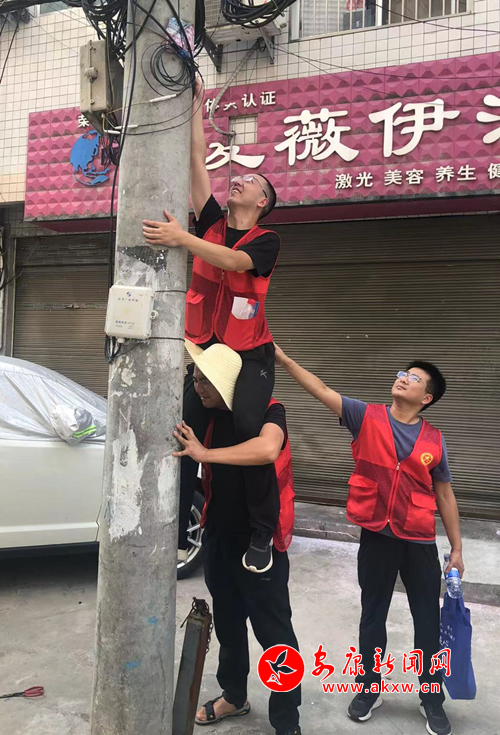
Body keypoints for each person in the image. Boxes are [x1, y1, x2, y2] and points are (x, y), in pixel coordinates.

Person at [274, 346, 464, 735]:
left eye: (414, 378)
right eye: (402, 373)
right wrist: (283, 359)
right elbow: (320, 389)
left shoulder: (435, 441)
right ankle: (369, 688)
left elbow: (445, 495)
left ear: (426, 398)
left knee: (427, 621)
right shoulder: (365, 416)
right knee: (372, 616)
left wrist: (457, 548)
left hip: (419, 541)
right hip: (377, 536)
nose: (403, 378)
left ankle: (431, 698)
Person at [143, 77, 281, 573]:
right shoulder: (210, 223)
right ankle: (179, 532)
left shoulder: (265, 239)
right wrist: (195, 104)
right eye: (239, 176)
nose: (239, 179)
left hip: (250, 356)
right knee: (180, 433)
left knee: (247, 428)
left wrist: (181, 238)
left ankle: (262, 533)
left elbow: (233, 261)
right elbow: (197, 160)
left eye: (251, 181)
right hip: (207, 354)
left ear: (262, 202)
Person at [173, 340, 300, 735]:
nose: (198, 387)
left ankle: (287, 720)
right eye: (194, 379)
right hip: (219, 536)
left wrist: (206, 455)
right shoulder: (204, 416)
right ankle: (234, 695)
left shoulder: (269, 410)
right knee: (228, 624)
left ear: (226, 381)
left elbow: (267, 449)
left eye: (205, 381)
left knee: (275, 635)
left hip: (261, 543)